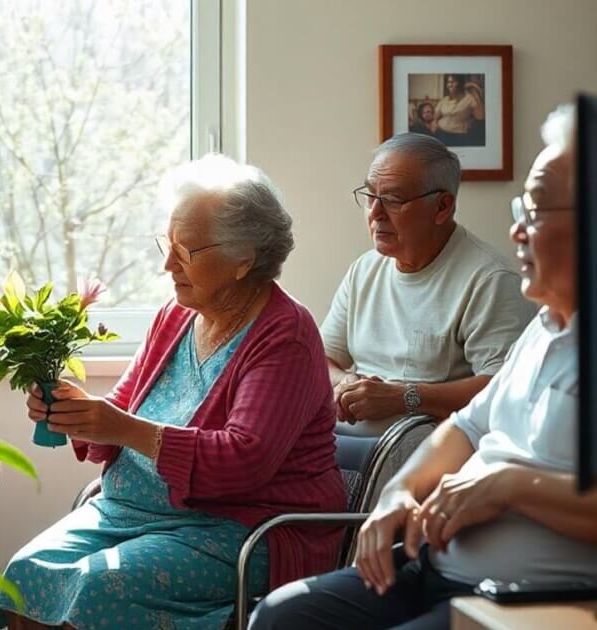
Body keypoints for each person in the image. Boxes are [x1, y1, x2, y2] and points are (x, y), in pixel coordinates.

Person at [249, 104, 597, 630]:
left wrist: (507, 484)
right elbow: (469, 425)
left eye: (537, 213)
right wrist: (398, 495)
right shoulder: (545, 328)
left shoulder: (489, 279)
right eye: (372, 197)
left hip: (525, 596)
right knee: (280, 615)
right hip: (430, 561)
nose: (517, 231)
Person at [0, 154, 346, 630]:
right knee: (24, 576)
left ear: (244, 260)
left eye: (187, 251)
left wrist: (122, 426)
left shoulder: (285, 335)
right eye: (167, 244)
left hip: (229, 528)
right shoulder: (175, 317)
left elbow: (244, 459)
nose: (166, 264)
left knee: (97, 589)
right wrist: (80, 412)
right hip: (127, 513)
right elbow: (119, 415)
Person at [322, 133, 533, 437]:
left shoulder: (489, 278)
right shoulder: (364, 269)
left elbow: (504, 388)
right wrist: (345, 382)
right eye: (370, 196)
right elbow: (322, 358)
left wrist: (404, 397)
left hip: (424, 452)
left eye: (393, 200)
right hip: (339, 444)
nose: (375, 213)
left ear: (442, 207)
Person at [434, 74, 485, 146]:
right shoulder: (444, 100)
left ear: (460, 83)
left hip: (458, 137)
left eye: (453, 82)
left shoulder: (469, 99)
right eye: (448, 82)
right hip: (441, 134)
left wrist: (473, 86)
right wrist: (435, 126)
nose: (450, 85)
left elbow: (481, 117)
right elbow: (434, 117)